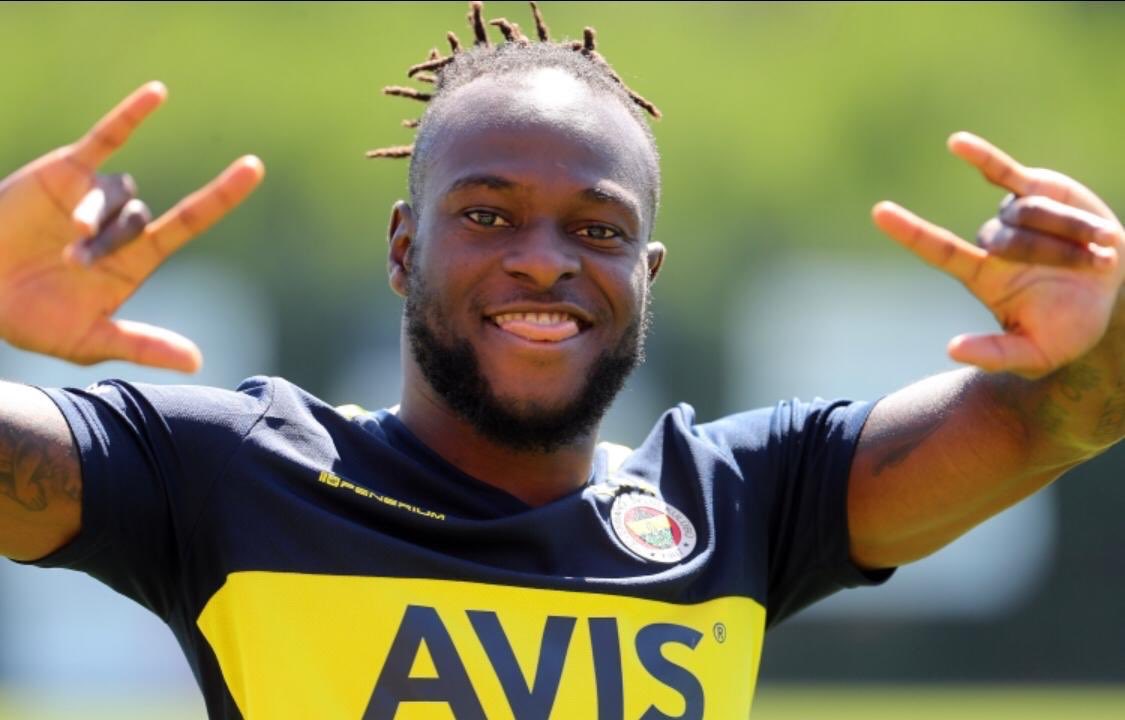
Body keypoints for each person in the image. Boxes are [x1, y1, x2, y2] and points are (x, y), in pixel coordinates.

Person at [1, 2, 1122, 718]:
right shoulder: (232, 474)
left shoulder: (742, 503)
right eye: (487, 215)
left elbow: (1065, 413)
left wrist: (1101, 323)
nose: (544, 260)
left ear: (647, 272)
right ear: (403, 249)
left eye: (596, 228)